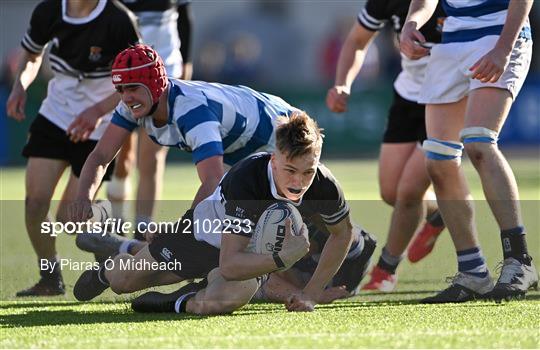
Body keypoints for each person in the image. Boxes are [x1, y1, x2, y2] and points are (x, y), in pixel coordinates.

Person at [73, 110, 375, 315]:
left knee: (222, 300)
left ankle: (182, 300)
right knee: (124, 282)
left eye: (307, 172)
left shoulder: (324, 185)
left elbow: (343, 233)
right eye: (290, 170)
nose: (298, 182)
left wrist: (310, 292)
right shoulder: (248, 178)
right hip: (200, 238)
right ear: (273, 159)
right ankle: (109, 267)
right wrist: (284, 257)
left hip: (248, 255)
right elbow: (230, 264)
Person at [400, 0, 538, 302]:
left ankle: (520, 261)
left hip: (499, 35)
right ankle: (472, 272)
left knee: (479, 142)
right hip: (450, 42)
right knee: (438, 160)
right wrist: (411, 24)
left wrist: (504, 48)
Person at [6, 0, 140, 296]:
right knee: (35, 204)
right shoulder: (48, 11)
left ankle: (104, 219)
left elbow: (135, 78)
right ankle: (50, 277)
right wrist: (20, 86)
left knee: (71, 219)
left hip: (102, 125)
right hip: (55, 116)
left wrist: (96, 111)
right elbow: (31, 55)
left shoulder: (118, 20)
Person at [326, 0, 446, 292]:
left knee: (408, 192)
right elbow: (356, 41)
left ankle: (385, 270)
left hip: (449, 96)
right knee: (391, 191)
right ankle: (439, 211)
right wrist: (343, 83)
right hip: (409, 96)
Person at [108, 0, 194, 238]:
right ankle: (116, 227)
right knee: (121, 160)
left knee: (151, 158)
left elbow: (185, 19)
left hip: (165, 74)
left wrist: (186, 63)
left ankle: (141, 233)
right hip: (124, 76)